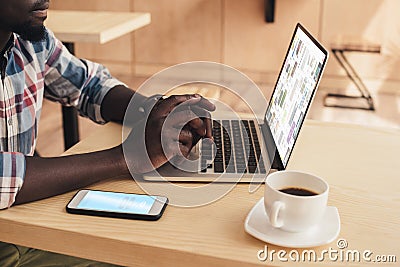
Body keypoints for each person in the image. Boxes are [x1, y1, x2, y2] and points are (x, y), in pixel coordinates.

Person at [0, 0, 215, 266]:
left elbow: (90, 85)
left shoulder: (29, 40)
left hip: (21, 222)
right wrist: (127, 157)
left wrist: (156, 112)